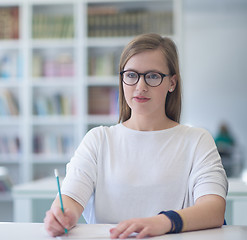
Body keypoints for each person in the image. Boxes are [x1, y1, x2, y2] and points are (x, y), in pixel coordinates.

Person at [44, 33, 228, 239]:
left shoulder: (197, 140)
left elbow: (214, 209)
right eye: (131, 75)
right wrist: (62, 216)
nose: (140, 86)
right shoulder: (98, 139)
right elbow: (70, 198)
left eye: (152, 76)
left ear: (172, 83)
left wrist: (162, 222)